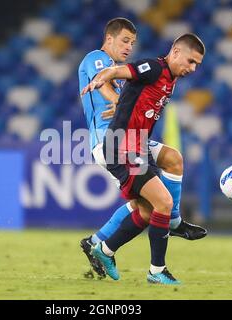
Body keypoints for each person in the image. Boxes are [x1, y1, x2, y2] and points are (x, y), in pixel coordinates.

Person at [78, 18, 206, 279]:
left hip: (135, 140)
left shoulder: (165, 77)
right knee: (155, 203)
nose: (128, 47)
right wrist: (117, 99)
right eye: (124, 41)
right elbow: (105, 79)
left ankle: (100, 244)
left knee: (164, 175)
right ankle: (159, 243)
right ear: (109, 38)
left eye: (132, 43)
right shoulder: (97, 58)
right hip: (112, 140)